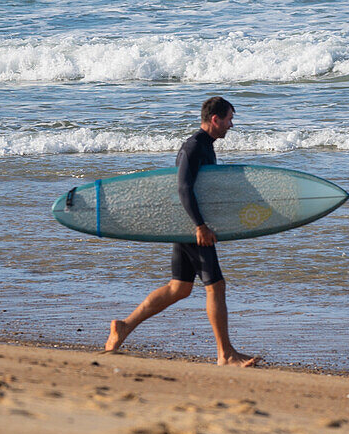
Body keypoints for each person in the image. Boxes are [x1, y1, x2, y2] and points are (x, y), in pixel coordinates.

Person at [104, 96, 258, 367]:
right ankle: (225, 354)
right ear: (215, 119)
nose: (231, 125)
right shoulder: (193, 147)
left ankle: (124, 327)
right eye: (229, 119)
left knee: (179, 288)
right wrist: (199, 225)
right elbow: (183, 188)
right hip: (191, 227)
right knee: (216, 286)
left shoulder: (206, 147)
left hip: (188, 224)